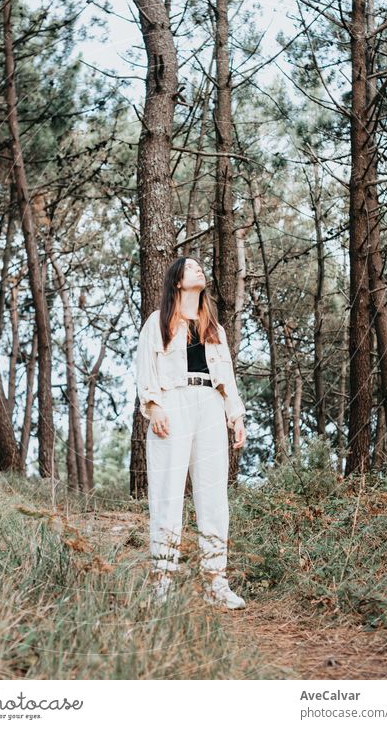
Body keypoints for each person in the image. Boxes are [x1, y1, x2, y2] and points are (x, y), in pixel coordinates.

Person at [135, 256, 247, 609]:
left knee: (214, 497)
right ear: (178, 282)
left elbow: (226, 377)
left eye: (201, 267)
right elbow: (145, 370)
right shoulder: (158, 323)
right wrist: (154, 408)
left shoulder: (214, 327)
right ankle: (162, 584)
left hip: (209, 405)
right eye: (190, 267)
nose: (199, 269)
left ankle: (217, 583)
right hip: (173, 403)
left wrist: (236, 415)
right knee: (167, 495)